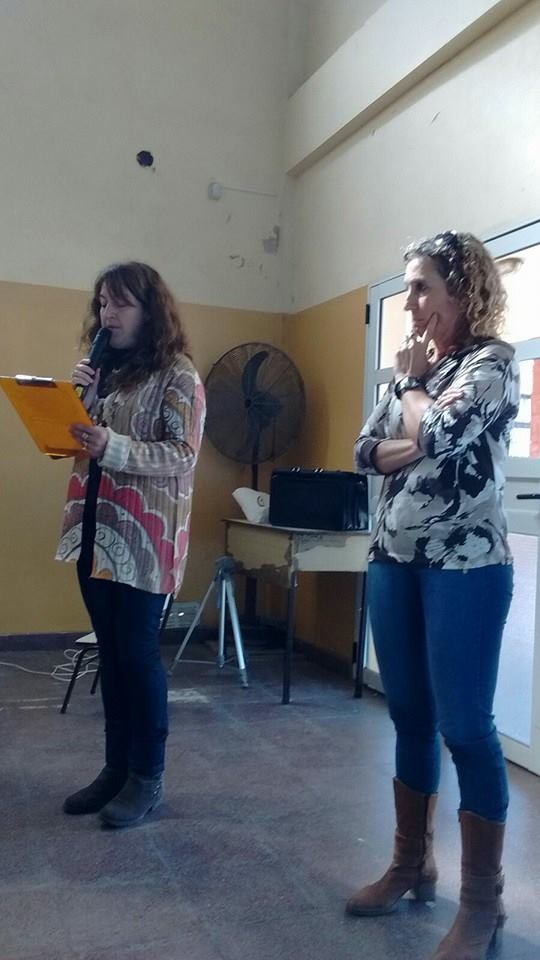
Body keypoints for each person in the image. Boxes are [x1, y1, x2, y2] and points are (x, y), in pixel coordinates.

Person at [348, 231, 520, 960]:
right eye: (408, 288)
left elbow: (444, 435)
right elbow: (365, 451)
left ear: (463, 289)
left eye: (422, 287)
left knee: (466, 728)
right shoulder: (415, 373)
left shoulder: (491, 364)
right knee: (410, 717)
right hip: (395, 561)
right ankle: (410, 864)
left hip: (466, 569)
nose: (411, 302)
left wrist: (415, 396)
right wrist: (417, 424)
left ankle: (482, 902)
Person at [57, 262, 206, 828]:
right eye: (102, 303)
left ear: (150, 312)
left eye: (120, 304)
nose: (108, 315)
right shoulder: (107, 374)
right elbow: (80, 444)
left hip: (147, 540)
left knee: (137, 657)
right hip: (96, 534)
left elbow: (183, 454)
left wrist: (111, 445)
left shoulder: (178, 375)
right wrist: (80, 403)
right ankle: (114, 769)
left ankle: (147, 776)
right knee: (111, 655)